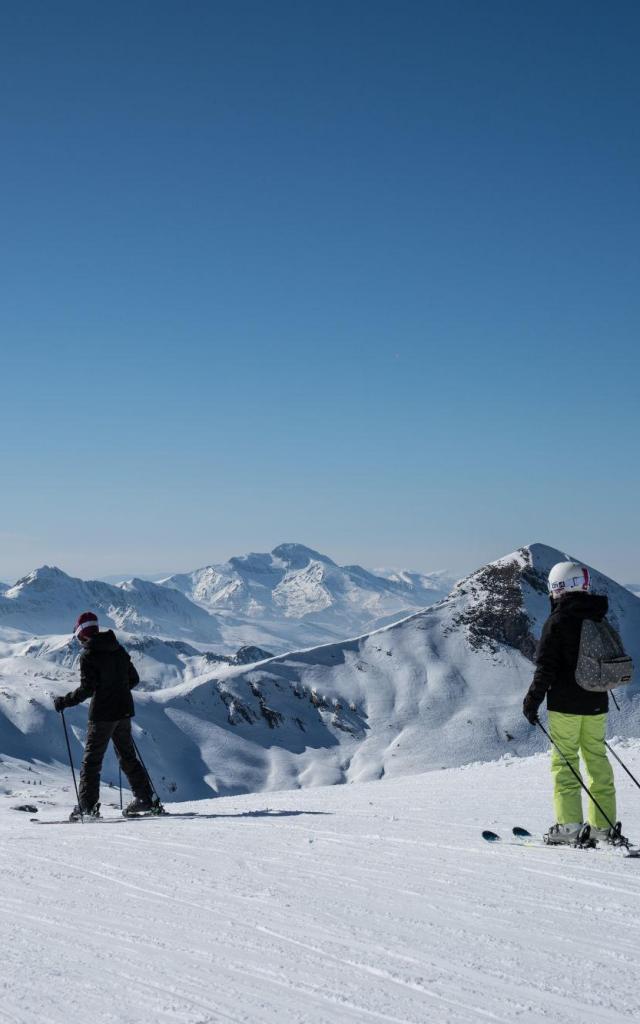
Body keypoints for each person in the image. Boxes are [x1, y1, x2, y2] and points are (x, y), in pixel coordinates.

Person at [522, 561, 621, 845]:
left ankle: (569, 827)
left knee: (565, 763)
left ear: (558, 587)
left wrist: (532, 702)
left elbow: (546, 667)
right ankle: (604, 827)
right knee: (597, 760)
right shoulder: (598, 617)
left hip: (565, 705)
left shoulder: (558, 622)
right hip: (596, 703)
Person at [53, 611, 154, 820]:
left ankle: (87, 808)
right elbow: (133, 678)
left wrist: (64, 701)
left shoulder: (89, 654)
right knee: (127, 756)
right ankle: (145, 799)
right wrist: (118, 690)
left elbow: (87, 689)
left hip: (102, 715)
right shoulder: (118, 649)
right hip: (124, 711)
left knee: (92, 761)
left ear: (82, 633)